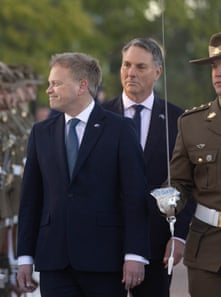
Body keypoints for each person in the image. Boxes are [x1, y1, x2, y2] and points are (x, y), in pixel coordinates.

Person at [16, 52, 150, 297]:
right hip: (54, 261)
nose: (49, 90)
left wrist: (135, 253)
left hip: (104, 260)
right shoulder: (40, 132)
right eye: (49, 83)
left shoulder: (119, 129)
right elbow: (30, 200)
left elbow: (134, 196)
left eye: (56, 83)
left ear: (82, 86)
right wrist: (24, 256)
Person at [101, 37, 194, 297]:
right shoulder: (98, 116)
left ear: (157, 72)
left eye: (140, 67)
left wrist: (179, 236)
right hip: (105, 243)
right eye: (126, 65)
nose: (130, 73)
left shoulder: (179, 120)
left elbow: (189, 183)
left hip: (158, 243)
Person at [162, 31, 221, 297]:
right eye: (214, 66)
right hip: (208, 249)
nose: (218, 73)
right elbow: (179, 182)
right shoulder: (191, 123)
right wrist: (168, 198)